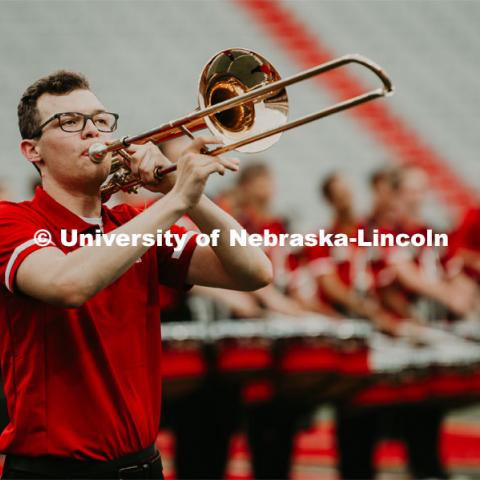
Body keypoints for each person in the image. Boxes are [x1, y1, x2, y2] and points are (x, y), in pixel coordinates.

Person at [0, 70, 272, 479]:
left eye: (101, 120)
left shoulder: (134, 220)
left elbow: (254, 271)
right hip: (55, 471)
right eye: (70, 123)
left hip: (143, 465)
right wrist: (176, 199)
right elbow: (67, 285)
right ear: (32, 150)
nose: (93, 132)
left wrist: (186, 197)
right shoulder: (12, 220)